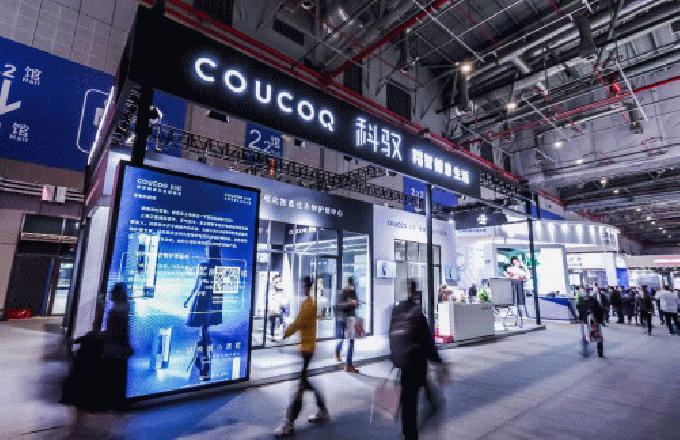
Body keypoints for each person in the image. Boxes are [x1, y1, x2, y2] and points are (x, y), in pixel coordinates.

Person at [389, 280, 445, 440]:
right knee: (424, 400)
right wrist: (438, 361)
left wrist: (395, 357)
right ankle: (411, 434)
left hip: (403, 364)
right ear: (414, 292)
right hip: (417, 364)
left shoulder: (396, 311)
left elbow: (391, 336)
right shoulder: (417, 312)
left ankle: (408, 432)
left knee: (408, 402)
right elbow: (427, 341)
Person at [275, 277, 328, 437]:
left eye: (305, 286)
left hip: (307, 349)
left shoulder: (309, 304)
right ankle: (323, 410)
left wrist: (284, 333)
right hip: (306, 348)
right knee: (305, 382)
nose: (303, 289)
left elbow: (299, 322)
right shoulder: (309, 303)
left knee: (300, 387)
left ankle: (289, 422)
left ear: (309, 287)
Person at [184, 244, 224, 381]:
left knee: (204, 330)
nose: (206, 251)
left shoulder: (204, 265)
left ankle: (202, 362)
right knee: (205, 330)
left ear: (210, 251)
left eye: (207, 249)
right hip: (210, 301)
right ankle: (203, 363)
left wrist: (189, 298)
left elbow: (197, 284)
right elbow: (219, 289)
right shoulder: (219, 265)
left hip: (202, 300)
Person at [335, 277, 360, 373]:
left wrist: (356, 303)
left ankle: (349, 365)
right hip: (343, 319)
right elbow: (339, 305)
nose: (351, 286)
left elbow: (357, 304)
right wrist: (349, 303)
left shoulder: (353, 292)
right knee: (341, 339)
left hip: (351, 318)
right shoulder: (342, 293)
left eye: (352, 284)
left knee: (351, 341)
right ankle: (338, 352)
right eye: (350, 284)